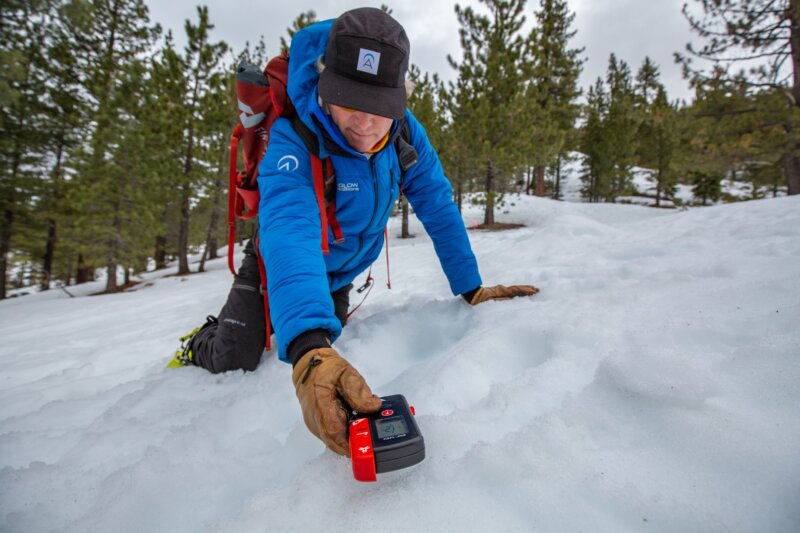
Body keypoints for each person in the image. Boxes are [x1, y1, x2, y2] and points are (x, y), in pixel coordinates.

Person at [169, 7, 539, 456]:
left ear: (400, 98)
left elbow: (437, 205)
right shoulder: (294, 138)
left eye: (378, 108)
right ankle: (199, 343)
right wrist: (307, 349)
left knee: (329, 338)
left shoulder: (405, 135)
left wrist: (471, 287)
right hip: (277, 261)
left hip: (339, 274)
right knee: (239, 356)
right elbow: (289, 230)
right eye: (349, 101)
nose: (363, 123)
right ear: (324, 86)